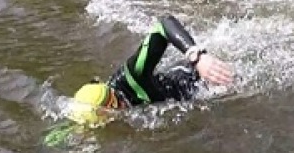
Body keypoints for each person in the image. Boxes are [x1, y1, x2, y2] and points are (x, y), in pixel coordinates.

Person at [64, 13, 235, 128]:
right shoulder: (96, 106)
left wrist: (197, 57)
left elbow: (164, 24)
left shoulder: (132, 76)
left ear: (114, 105)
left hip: (203, 79)